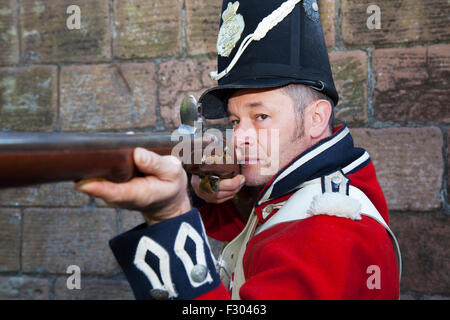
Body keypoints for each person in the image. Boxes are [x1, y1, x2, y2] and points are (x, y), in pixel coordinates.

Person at [75, 0, 401, 300]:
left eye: (260, 116)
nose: (240, 137)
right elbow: (249, 223)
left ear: (316, 118)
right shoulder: (300, 188)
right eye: (234, 120)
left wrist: (167, 216)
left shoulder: (330, 229)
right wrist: (197, 195)